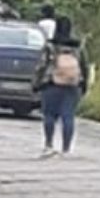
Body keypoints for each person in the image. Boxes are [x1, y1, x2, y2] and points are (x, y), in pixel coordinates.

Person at [34, 15, 90, 157]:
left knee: (49, 115)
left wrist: (36, 83)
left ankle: (49, 145)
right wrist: (84, 85)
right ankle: (66, 149)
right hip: (72, 85)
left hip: (51, 84)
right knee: (68, 116)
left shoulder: (51, 46)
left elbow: (41, 66)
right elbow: (85, 67)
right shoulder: (77, 47)